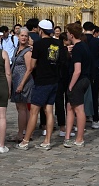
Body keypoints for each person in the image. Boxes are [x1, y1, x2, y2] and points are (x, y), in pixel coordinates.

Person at [16, 20, 61, 151]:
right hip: (54, 79)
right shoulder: (57, 43)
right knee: (49, 111)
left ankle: (25, 141)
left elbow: (32, 65)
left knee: (34, 112)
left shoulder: (39, 44)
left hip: (42, 81)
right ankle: (47, 141)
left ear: (41, 30)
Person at [63, 22, 91, 148]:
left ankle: (79, 138)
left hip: (78, 80)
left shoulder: (78, 48)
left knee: (79, 110)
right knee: (69, 107)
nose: (67, 35)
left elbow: (77, 70)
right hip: (84, 79)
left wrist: (71, 85)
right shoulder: (83, 46)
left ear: (72, 34)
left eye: (68, 33)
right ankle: (67, 136)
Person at [10, 28, 34, 142]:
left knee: (22, 108)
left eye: (26, 36)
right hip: (16, 80)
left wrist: (21, 84)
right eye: (22, 35)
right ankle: (26, 131)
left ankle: (21, 133)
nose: (23, 38)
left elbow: (29, 69)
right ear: (18, 36)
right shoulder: (16, 49)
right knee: (21, 108)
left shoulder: (28, 51)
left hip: (24, 81)